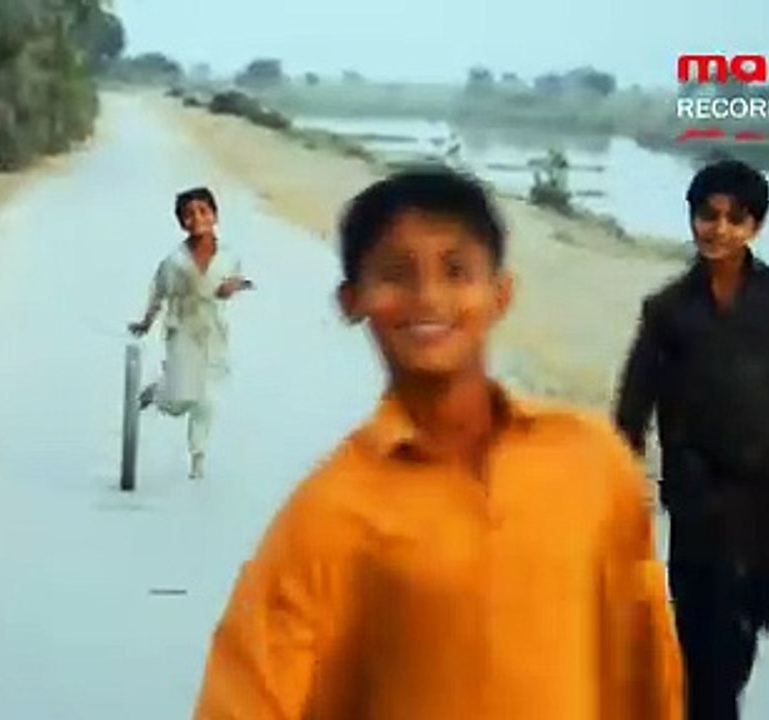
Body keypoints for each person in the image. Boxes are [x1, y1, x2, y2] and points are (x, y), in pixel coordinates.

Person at [193, 168, 682, 719]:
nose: (428, 297)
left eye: (456, 270)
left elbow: (648, 667)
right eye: (395, 274)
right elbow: (246, 699)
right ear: (352, 301)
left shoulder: (591, 461)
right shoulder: (330, 514)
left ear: (501, 294)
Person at [614, 158, 769, 720]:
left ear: (756, 226)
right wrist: (618, 472)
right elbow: (634, 400)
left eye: (734, 217)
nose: (719, 228)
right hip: (696, 496)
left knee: (737, 630)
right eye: (708, 215)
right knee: (701, 633)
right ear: (693, 218)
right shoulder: (668, 309)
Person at [129, 186, 251, 479]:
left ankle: (198, 457)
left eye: (203, 211)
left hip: (213, 335)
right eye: (189, 214)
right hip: (182, 332)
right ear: (181, 222)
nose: (196, 218)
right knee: (181, 399)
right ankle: (157, 393)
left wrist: (233, 287)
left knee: (207, 398)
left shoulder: (229, 256)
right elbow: (158, 293)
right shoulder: (174, 262)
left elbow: (226, 286)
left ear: (214, 215)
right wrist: (145, 323)